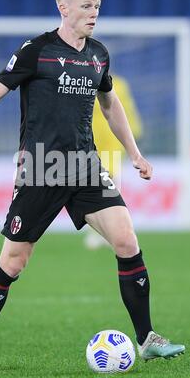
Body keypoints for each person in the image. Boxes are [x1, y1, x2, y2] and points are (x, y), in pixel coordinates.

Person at [0, 0, 185, 373]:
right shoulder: (35, 50)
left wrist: (135, 154)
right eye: (87, 6)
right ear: (64, 7)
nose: (94, 13)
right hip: (42, 168)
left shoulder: (98, 54)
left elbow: (111, 105)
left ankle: (146, 339)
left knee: (126, 239)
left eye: (97, 6)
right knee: (13, 262)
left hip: (86, 167)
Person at [84, 74, 143, 249]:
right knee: (94, 183)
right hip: (90, 137)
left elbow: (127, 110)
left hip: (112, 139)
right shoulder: (84, 80)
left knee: (109, 181)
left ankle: (109, 231)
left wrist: (134, 135)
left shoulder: (119, 85)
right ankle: (99, 230)